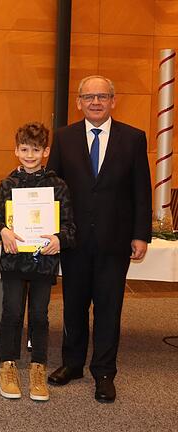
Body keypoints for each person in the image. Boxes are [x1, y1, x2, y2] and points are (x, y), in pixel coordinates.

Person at [46, 75, 152, 403]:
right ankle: (73, 364)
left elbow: (141, 190)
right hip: (74, 240)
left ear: (113, 100)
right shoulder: (63, 138)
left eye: (102, 96)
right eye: (89, 96)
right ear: (78, 102)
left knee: (108, 308)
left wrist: (140, 234)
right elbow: (51, 189)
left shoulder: (133, 139)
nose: (95, 102)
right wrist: (51, 231)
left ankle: (104, 372)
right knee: (74, 306)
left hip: (114, 241)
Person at [0, 122, 75, 401]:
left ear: (46, 151)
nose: (29, 154)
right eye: (24, 149)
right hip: (14, 261)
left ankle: (38, 368)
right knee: (12, 313)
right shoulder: (7, 184)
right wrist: (2, 230)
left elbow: (69, 227)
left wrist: (59, 239)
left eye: (36, 149)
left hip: (43, 262)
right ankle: (7, 365)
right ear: (16, 150)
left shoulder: (57, 185)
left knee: (39, 315)